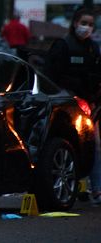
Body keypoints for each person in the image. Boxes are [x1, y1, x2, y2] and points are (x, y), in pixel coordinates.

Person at [45, 8, 101, 205]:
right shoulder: (63, 46)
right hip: (67, 105)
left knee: (93, 147)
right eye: (84, 23)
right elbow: (51, 76)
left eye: (91, 24)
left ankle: (95, 189)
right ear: (75, 23)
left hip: (88, 106)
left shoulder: (93, 49)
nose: (87, 28)